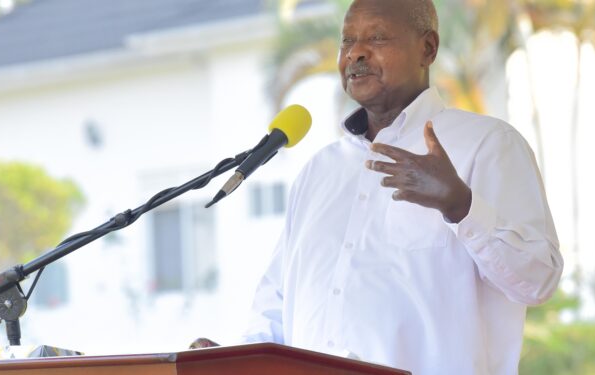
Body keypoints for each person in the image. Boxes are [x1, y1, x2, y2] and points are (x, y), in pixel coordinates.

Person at [193, 0, 563, 373]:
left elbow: (537, 280)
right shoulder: (319, 171)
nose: (355, 53)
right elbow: (274, 309)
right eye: (347, 40)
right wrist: (231, 362)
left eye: (378, 37)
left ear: (427, 48)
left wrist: (460, 206)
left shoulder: (486, 145)